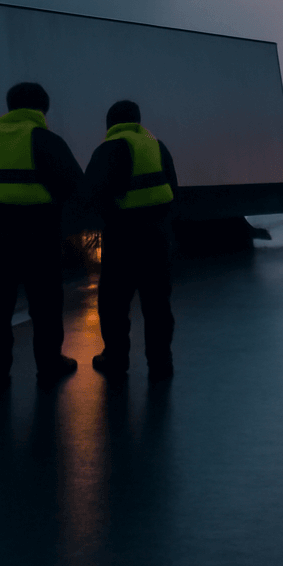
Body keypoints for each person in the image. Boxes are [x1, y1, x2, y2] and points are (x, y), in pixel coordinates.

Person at [0, 82, 84, 389]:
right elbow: (75, 187)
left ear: (10, 107)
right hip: (40, 234)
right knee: (46, 305)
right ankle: (50, 366)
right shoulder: (48, 141)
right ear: (44, 108)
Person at [84, 100, 178, 381]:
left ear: (110, 124)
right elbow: (172, 189)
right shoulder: (157, 147)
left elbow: (89, 194)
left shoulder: (108, 149)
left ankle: (116, 359)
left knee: (114, 303)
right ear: (137, 121)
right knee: (158, 304)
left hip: (122, 238)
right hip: (158, 236)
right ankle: (161, 363)